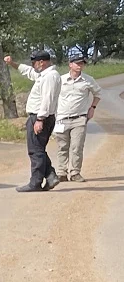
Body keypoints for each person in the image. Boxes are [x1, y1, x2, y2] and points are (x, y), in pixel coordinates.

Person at [5, 48, 61, 191]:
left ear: (41, 62)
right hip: (39, 116)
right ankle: (50, 176)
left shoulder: (50, 77)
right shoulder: (44, 74)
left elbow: (47, 100)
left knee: (35, 151)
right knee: (38, 149)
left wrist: (40, 119)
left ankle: (35, 182)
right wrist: (13, 63)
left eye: (34, 62)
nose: (33, 65)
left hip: (41, 116)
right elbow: (28, 72)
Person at [53, 46, 102, 183]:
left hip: (79, 118)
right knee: (62, 147)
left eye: (82, 63)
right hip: (62, 118)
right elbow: (51, 96)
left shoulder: (88, 80)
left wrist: (92, 107)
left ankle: (75, 172)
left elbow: (98, 94)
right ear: (70, 64)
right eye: (77, 63)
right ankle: (61, 172)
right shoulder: (60, 80)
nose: (80, 66)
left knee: (77, 147)